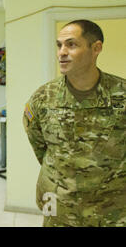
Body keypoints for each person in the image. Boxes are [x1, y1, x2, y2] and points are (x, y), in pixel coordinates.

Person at [23, 19, 125, 227]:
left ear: (96, 48)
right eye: (59, 45)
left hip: (111, 210)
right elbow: (39, 143)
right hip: (59, 207)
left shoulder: (121, 94)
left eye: (71, 44)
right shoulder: (43, 97)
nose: (61, 52)